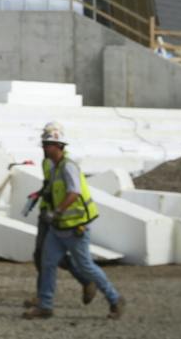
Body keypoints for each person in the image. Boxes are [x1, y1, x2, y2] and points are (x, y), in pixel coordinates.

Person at [24, 122, 123, 321]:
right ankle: (45, 305)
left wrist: (57, 211)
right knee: (48, 262)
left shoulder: (68, 167)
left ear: (59, 146)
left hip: (76, 227)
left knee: (86, 266)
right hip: (59, 227)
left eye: (48, 144)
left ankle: (115, 299)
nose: (44, 148)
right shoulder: (53, 167)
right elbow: (52, 190)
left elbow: (74, 193)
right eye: (44, 144)